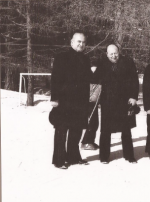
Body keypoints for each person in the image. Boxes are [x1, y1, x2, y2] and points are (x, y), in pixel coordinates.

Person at [49, 31, 91, 169]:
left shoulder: (85, 59)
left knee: (77, 130)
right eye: (78, 41)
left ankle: (73, 157)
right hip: (64, 100)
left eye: (83, 42)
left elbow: (89, 79)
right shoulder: (61, 57)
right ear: (71, 42)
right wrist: (54, 98)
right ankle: (59, 160)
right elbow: (55, 79)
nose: (81, 44)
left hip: (80, 101)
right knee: (61, 130)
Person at [96, 44, 139, 164]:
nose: (114, 56)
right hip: (107, 102)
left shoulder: (127, 62)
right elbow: (95, 81)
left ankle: (129, 156)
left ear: (119, 52)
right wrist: (95, 100)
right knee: (105, 130)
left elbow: (134, 81)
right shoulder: (102, 64)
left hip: (124, 101)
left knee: (126, 130)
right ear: (107, 54)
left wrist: (134, 97)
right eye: (111, 54)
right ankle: (104, 156)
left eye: (116, 53)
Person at [80, 61, 102, 150]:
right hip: (89, 103)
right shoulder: (87, 79)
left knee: (95, 123)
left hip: (94, 103)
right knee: (91, 123)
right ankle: (85, 142)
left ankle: (91, 141)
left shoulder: (100, 79)